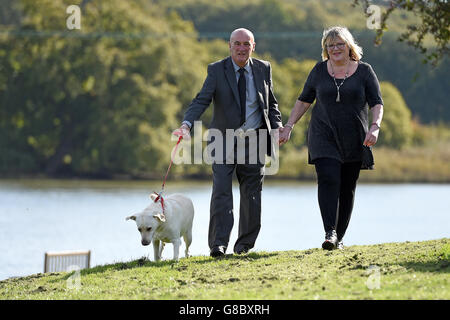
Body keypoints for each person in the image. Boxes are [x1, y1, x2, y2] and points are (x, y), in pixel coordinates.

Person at [173, 28, 282, 257]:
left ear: (253, 46)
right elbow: (201, 100)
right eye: (237, 44)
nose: (242, 48)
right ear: (229, 46)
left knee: (252, 195)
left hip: (255, 139)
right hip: (222, 140)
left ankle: (244, 246)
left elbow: (271, 103)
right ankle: (218, 245)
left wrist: (278, 126)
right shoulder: (216, 70)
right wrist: (186, 125)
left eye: (246, 44)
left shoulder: (264, 68)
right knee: (222, 192)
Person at [279, 26, 384, 250]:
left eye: (340, 44)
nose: (335, 48)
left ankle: (339, 237)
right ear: (326, 49)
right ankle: (330, 232)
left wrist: (374, 127)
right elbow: (304, 100)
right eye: (331, 45)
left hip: (354, 137)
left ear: (349, 46)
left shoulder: (364, 71)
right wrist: (289, 126)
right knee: (328, 179)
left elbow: (376, 102)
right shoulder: (318, 71)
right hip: (323, 134)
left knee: (347, 187)